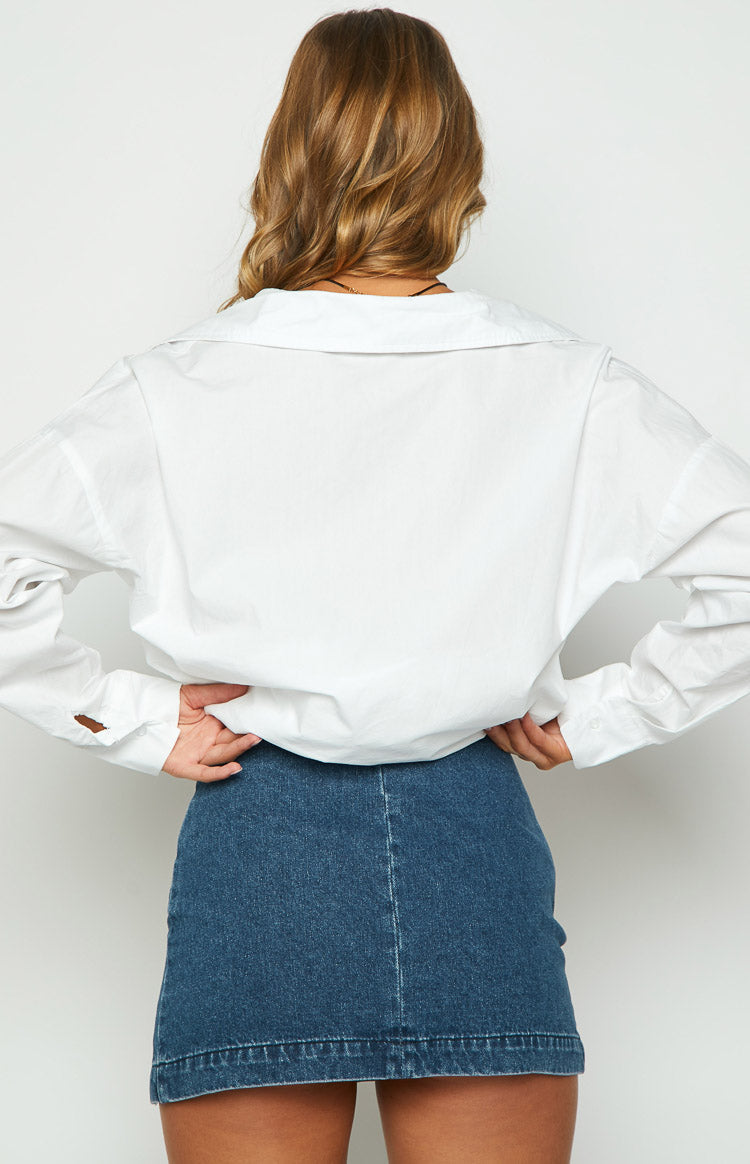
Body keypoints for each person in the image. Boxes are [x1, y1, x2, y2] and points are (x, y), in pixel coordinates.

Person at [2, 7, 750, 1163]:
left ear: (286, 155)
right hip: (475, 842)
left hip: (257, 845)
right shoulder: (565, 382)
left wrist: (140, 719)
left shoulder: (177, 386)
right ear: (461, 161)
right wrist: (594, 716)